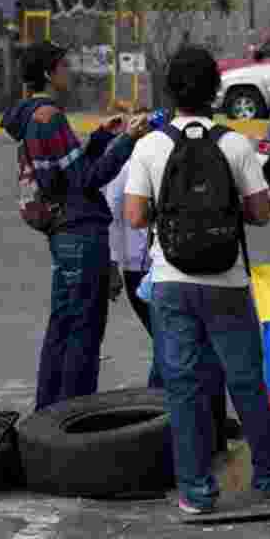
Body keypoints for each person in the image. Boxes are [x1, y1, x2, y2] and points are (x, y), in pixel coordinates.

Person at [124, 45, 270, 515]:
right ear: (215, 91)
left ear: (172, 91)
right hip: (226, 282)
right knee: (245, 379)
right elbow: (262, 213)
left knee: (183, 384)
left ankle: (196, 491)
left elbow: (133, 216)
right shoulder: (235, 143)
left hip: (170, 283)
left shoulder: (150, 145)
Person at [1, 41, 150, 411]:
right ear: (51, 73)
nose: (69, 71)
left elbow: (67, 171)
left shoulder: (32, 115)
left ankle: (48, 414)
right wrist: (128, 140)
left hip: (64, 234)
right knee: (83, 332)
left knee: (63, 326)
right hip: (80, 232)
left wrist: (101, 137)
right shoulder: (49, 116)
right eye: (64, 65)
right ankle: (73, 417)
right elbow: (87, 178)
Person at [104, 107, 162, 391]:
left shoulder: (159, 160)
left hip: (163, 266)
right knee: (168, 344)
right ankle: (159, 412)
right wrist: (112, 265)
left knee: (171, 344)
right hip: (137, 269)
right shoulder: (125, 168)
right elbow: (110, 217)